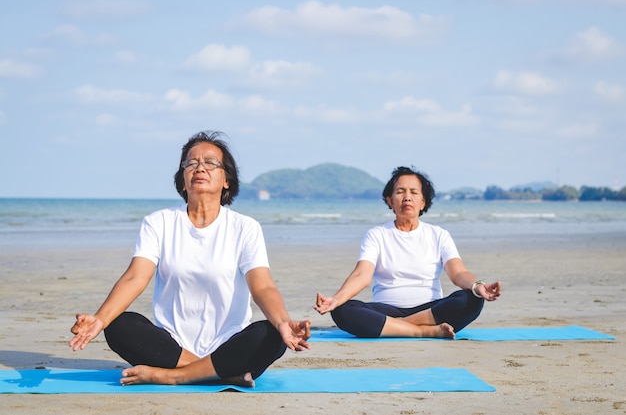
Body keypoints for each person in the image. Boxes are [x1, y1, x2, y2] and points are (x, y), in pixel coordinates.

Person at [69, 130, 311, 387]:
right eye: (191, 163)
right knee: (119, 324)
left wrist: (284, 323)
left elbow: (262, 286)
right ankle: (214, 372)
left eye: (210, 163)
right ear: (183, 180)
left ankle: (173, 376)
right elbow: (135, 277)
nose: (199, 168)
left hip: (230, 343)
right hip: (172, 347)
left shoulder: (245, 227)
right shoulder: (158, 223)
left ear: (226, 180)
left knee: (271, 334)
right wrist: (100, 318)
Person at [314, 166, 501, 339]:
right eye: (400, 192)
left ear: (423, 202)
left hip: (431, 310)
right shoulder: (377, 235)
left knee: (471, 299)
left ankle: (397, 327)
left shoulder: (438, 235)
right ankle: (422, 331)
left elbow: (458, 272)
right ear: (390, 200)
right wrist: (336, 300)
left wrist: (478, 287)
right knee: (342, 309)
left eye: (414, 192)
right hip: (386, 310)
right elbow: (362, 275)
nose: (407, 197)